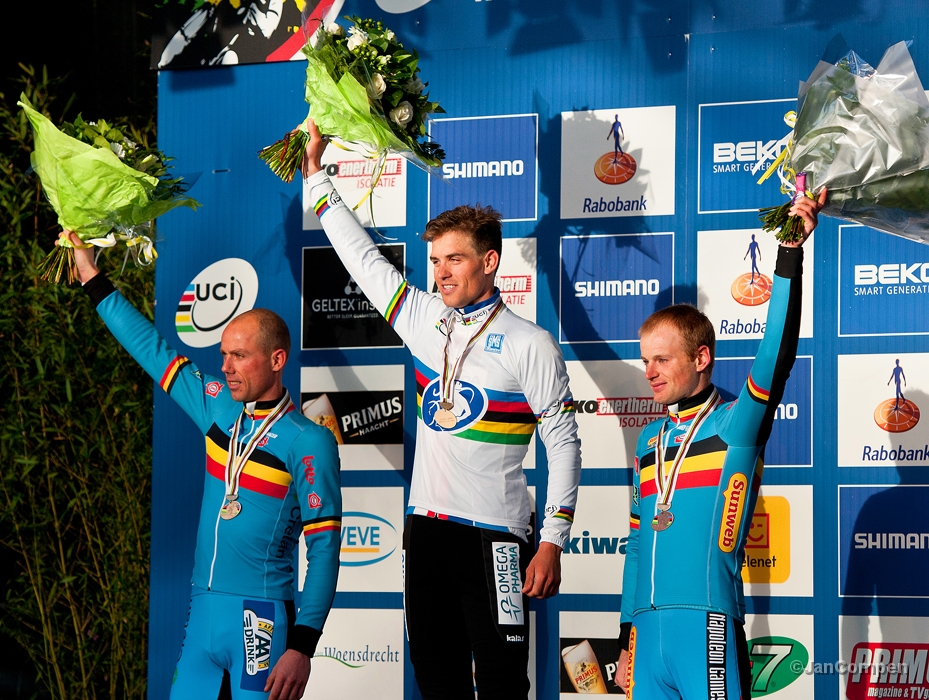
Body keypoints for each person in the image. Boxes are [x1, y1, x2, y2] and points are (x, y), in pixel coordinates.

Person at [301, 121, 581, 700]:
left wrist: (552, 540)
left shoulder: (530, 343)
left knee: (503, 688)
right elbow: (363, 261)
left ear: (490, 261)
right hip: (425, 533)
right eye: (435, 261)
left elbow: (563, 444)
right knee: (437, 685)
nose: (441, 272)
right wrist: (316, 177)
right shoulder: (424, 319)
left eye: (454, 259)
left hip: (497, 539)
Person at [63, 231, 341, 700]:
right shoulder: (216, 407)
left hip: (262, 617)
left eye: (240, 356)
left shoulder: (309, 440)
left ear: (277, 359)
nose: (226, 366)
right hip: (201, 610)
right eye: (224, 354)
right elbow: (150, 348)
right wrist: (90, 274)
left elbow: (325, 549)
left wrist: (302, 645)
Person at [615, 189, 826, 699]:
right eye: (646, 361)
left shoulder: (735, 425)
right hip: (646, 635)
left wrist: (789, 255)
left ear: (701, 358)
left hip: (707, 624)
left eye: (663, 360)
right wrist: (626, 638)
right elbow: (638, 543)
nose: (650, 372)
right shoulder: (648, 441)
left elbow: (776, 355)